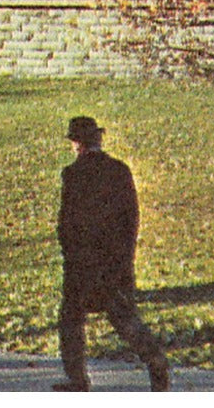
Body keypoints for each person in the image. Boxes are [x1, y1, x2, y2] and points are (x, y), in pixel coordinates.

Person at [55, 116, 170, 392]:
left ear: (76, 143)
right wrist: (125, 256)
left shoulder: (73, 174)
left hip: (84, 263)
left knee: (71, 318)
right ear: (98, 139)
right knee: (123, 318)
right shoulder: (120, 170)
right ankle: (157, 365)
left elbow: (67, 222)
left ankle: (77, 378)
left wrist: (70, 253)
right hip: (115, 259)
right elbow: (131, 219)